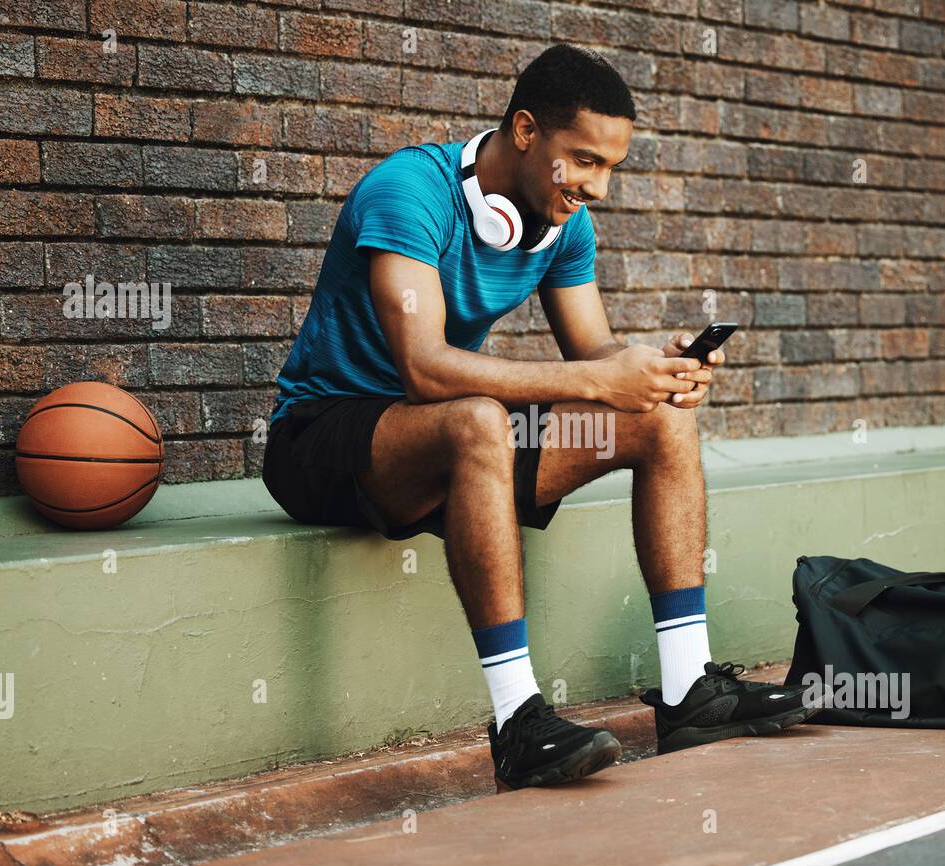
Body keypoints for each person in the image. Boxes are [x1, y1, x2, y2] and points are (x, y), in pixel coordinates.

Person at [262, 43, 820, 791]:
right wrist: (595, 380)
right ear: (525, 130)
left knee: (661, 420)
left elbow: (593, 350)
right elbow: (423, 366)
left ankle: (691, 693)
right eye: (585, 160)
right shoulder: (408, 191)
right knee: (479, 418)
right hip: (323, 438)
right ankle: (518, 722)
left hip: (446, 441)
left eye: (612, 166)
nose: (600, 185)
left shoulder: (565, 224)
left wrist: (654, 368)